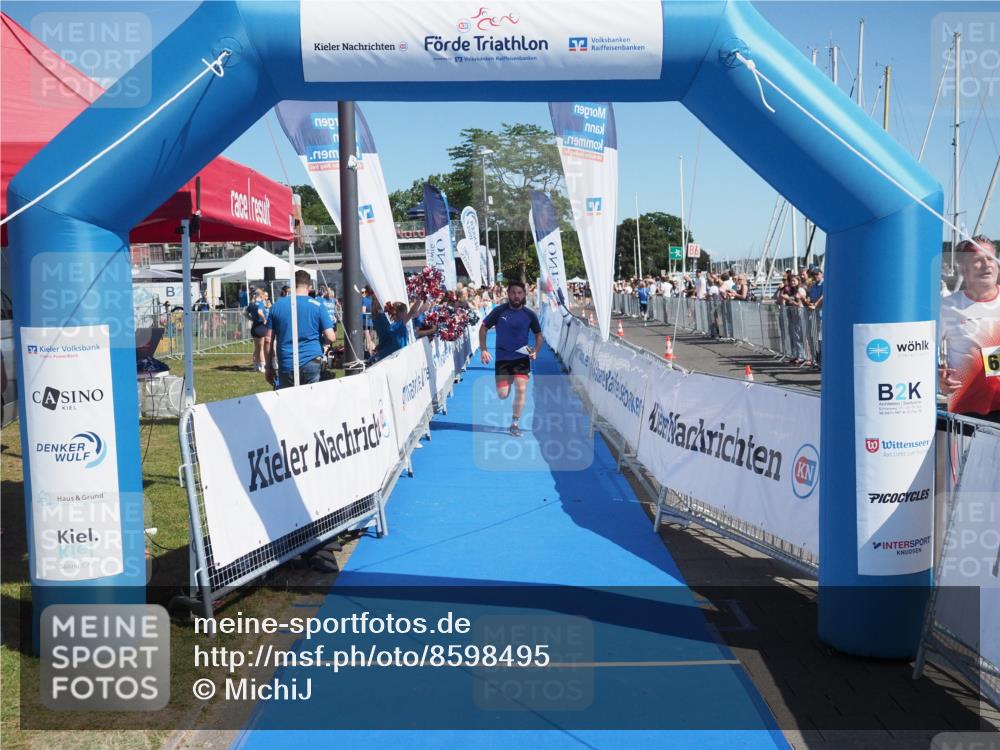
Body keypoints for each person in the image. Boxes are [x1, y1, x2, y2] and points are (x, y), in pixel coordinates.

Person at [940, 236, 1000, 421]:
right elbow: (922, 352)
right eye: (977, 260)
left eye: (990, 258)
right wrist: (938, 377)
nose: (986, 264)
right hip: (966, 410)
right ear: (963, 269)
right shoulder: (946, 307)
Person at [479, 281, 543, 437]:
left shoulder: (529, 314)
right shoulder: (499, 311)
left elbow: (538, 334)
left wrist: (535, 350)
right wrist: (484, 349)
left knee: (521, 389)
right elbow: (483, 327)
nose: (516, 296)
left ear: (524, 294)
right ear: (508, 294)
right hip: (503, 358)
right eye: (513, 293)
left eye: (519, 293)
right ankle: (509, 381)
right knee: (503, 394)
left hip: (522, 356)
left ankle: (515, 424)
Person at [263, 270, 335, 389]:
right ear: (309, 287)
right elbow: (331, 337)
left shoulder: (276, 306)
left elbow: (268, 340)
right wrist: (321, 341)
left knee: (289, 398)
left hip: (287, 362)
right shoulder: (317, 305)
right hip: (312, 359)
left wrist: (268, 367)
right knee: (311, 398)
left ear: (292, 285)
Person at [249, 287, 269, 372]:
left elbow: (245, 312)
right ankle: (262, 366)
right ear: (261, 295)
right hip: (260, 327)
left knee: (256, 348)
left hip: (254, 327)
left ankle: (255, 366)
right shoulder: (260, 303)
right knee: (261, 348)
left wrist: (251, 319)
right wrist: (264, 319)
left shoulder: (252, 303)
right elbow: (259, 312)